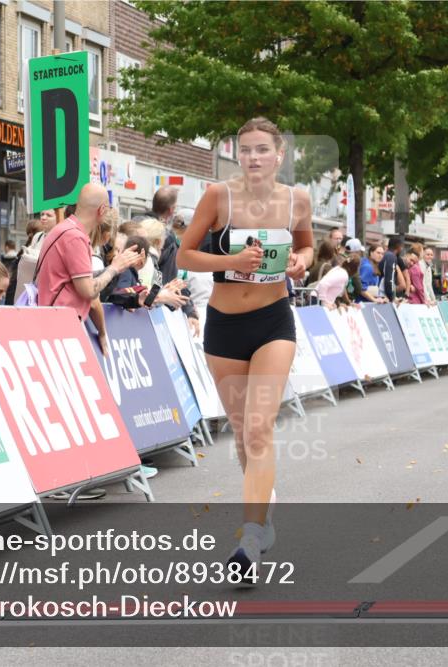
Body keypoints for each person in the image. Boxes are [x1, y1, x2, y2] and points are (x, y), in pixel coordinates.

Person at [177, 117, 313, 581]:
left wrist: (299, 262)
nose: (253, 157)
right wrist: (231, 262)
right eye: (246, 149)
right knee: (243, 435)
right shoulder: (219, 196)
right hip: (224, 326)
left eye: (262, 149)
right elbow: (184, 254)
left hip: (274, 321)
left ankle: (251, 540)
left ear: (279, 155)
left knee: (259, 430)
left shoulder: (297, 200)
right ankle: (264, 506)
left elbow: (309, 249)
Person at [36, 183, 141, 349]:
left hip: (55, 323)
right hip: (60, 328)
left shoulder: (65, 229)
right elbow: (89, 291)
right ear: (102, 210)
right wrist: (114, 268)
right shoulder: (75, 237)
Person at [153, 186, 201, 336]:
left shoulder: (177, 245)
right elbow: (170, 281)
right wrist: (189, 309)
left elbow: (178, 282)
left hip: (157, 307)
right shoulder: (168, 242)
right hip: (155, 311)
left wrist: (190, 309)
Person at [380, 236, 408, 302]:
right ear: (398, 247)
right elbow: (390, 279)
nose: (402, 249)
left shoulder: (387, 255)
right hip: (384, 296)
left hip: (383, 294)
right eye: (401, 247)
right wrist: (392, 297)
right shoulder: (391, 257)